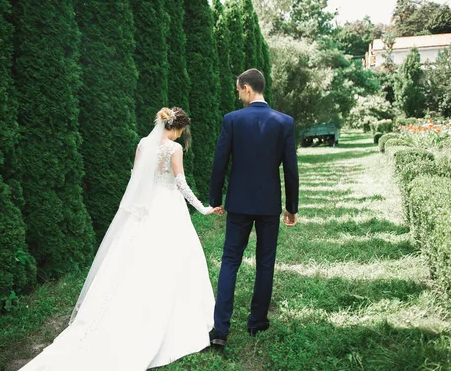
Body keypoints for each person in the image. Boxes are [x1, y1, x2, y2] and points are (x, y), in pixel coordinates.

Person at [20, 107, 222, 371]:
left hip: (143, 211)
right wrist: (203, 208)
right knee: (173, 262)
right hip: (168, 209)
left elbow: (135, 178)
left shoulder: (143, 144)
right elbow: (181, 184)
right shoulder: (174, 149)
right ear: (180, 128)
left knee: (130, 261)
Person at [208, 68, 299, 348]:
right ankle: (257, 322)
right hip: (269, 205)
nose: (238, 96)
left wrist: (216, 200)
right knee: (265, 263)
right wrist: (291, 207)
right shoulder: (284, 122)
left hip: (238, 203)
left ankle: (220, 330)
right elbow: (291, 170)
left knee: (230, 261)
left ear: (247, 88)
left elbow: (219, 163)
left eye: (238, 91)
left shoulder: (232, 120)